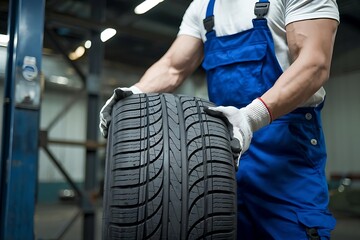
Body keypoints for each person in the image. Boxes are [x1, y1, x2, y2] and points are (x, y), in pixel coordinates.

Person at [99, 0, 339, 239]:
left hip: (286, 155)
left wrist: (251, 117)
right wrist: (135, 95)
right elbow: (173, 67)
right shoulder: (202, 7)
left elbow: (314, 65)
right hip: (223, 151)